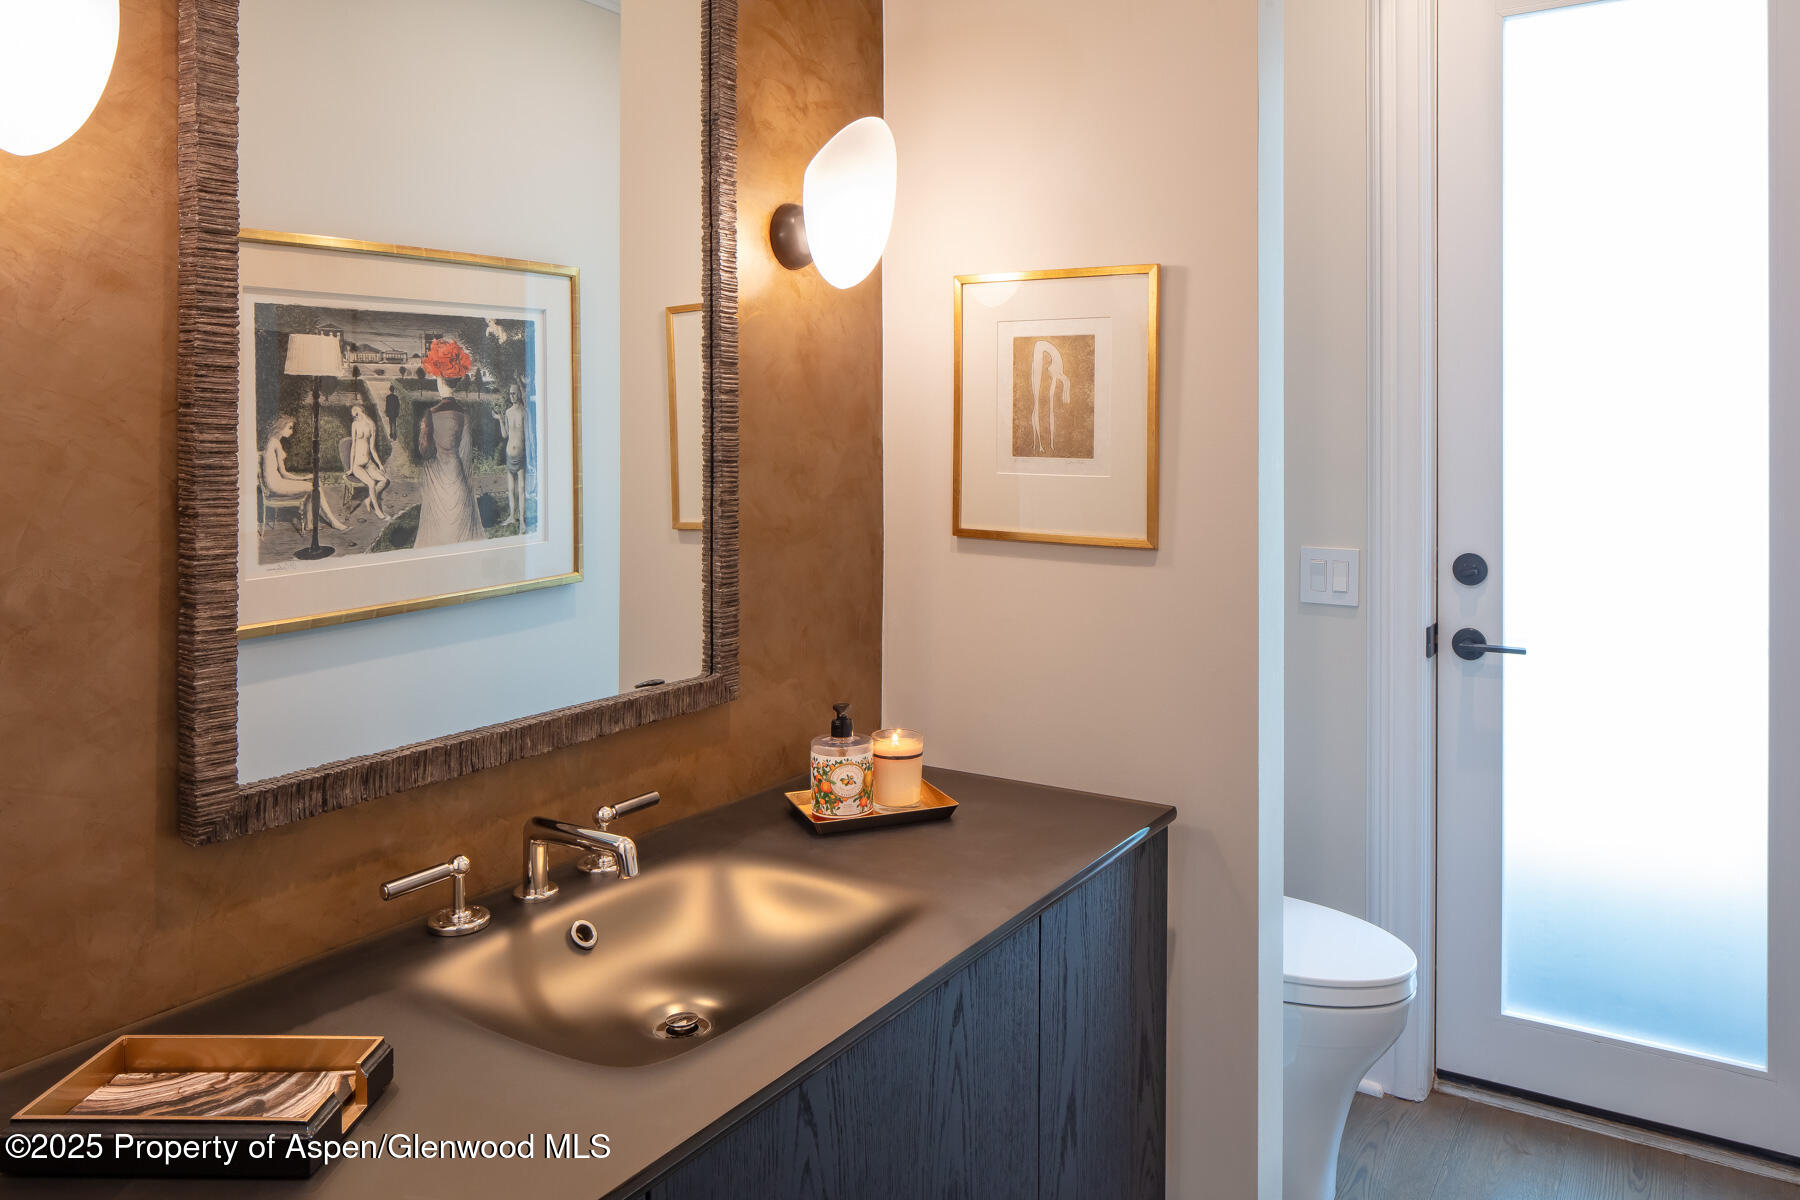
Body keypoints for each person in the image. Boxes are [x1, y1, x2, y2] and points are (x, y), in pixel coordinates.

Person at [414, 391, 483, 546]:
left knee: (439, 521)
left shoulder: (430, 414)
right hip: (456, 469)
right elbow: (466, 452)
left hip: (438, 472)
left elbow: (424, 451)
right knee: (459, 516)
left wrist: (425, 431)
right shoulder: (464, 414)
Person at [262, 413, 348, 533]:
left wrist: (304, 477)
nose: (291, 431)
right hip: (276, 484)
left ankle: (309, 523)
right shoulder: (275, 443)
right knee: (314, 487)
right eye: (290, 427)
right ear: (280, 427)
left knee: (313, 486)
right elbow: (284, 474)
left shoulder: (274, 441)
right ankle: (333, 522)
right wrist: (304, 478)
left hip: (276, 482)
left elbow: (283, 473)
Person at [345, 402, 391, 520]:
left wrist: (380, 465)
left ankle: (369, 499)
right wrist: (351, 468)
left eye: (355, 414)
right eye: (354, 416)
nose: (355, 417)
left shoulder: (371, 425)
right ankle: (378, 511)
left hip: (368, 462)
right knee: (371, 483)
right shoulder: (355, 425)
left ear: (359, 412)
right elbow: (353, 447)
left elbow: (372, 448)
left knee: (384, 480)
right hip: (358, 465)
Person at [497, 383, 530, 530]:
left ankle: (522, 520)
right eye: (510, 393)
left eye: (514, 393)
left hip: (521, 455)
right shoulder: (508, 412)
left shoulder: (524, 412)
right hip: (509, 454)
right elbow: (505, 435)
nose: (512, 396)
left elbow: (529, 437)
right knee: (510, 489)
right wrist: (499, 420)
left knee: (521, 488)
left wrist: (531, 457)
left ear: (519, 394)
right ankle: (511, 516)